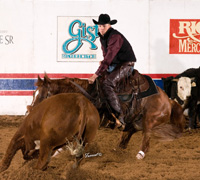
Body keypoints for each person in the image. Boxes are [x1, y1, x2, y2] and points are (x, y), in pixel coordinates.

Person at [88, 14, 137, 129]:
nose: (101, 28)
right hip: (115, 65)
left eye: (103, 26)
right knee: (101, 83)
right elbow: (107, 56)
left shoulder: (115, 37)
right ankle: (107, 115)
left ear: (109, 25)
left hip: (126, 64)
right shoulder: (102, 37)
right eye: (99, 26)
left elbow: (109, 56)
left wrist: (95, 74)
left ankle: (121, 115)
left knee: (107, 84)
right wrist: (104, 62)